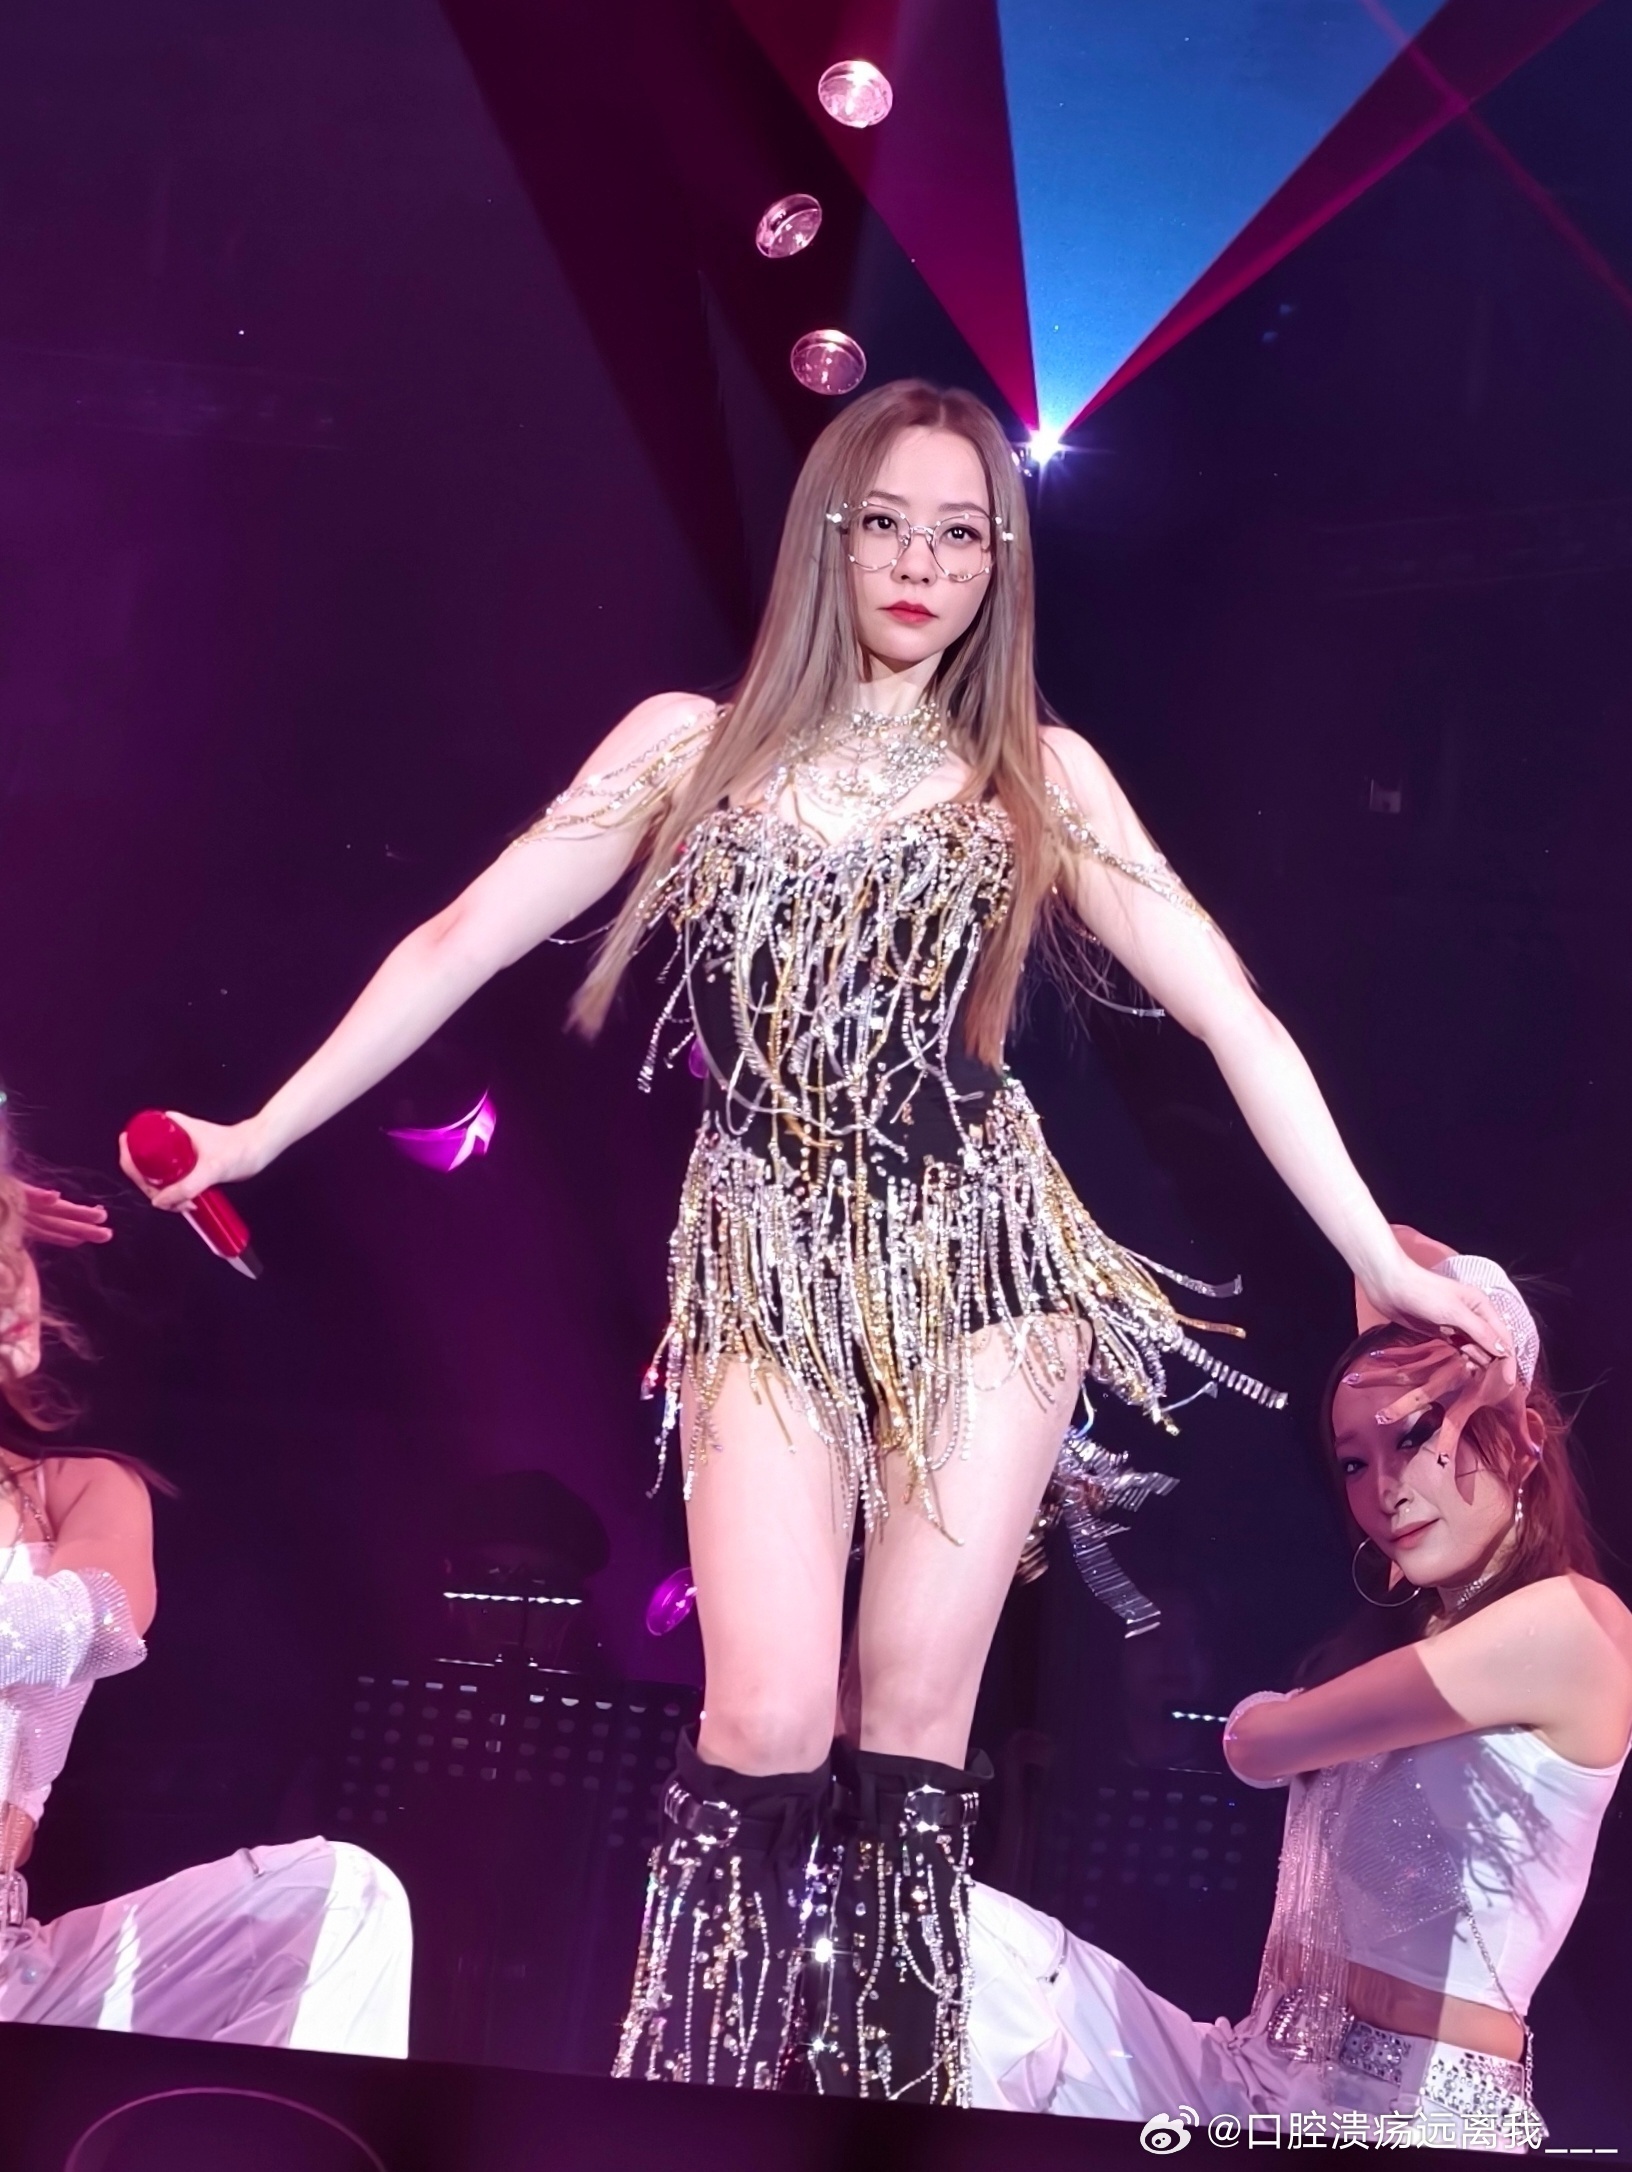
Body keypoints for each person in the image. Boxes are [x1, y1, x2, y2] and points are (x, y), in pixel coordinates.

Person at [118, 380, 1508, 2103]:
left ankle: (887, 2118)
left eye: (961, 534)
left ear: (998, 563)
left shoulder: (1037, 774)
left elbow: (1230, 1009)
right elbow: (461, 936)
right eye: (888, 525)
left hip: (983, 1266)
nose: (922, 563)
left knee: (911, 1720)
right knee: (762, 1719)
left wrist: (1374, 1251)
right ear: (828, 537)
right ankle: (695, 2111)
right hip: (762, 1264)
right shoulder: (682, 750)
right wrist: (256, 1132)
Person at [968, 1235, 1631, 2150]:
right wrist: (1432, 1318)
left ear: (1521, 1443)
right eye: (1355, 1461)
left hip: (1411, 2123)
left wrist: (1498, 1353)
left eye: (1416, 1436)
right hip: (1252, 2076)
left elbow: (1258, 1746)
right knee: (966, 1943)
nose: (1386, 1488)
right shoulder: (1416, 1643)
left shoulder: (1576, 1625)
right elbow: (1380, 1255)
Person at [0, 1106, 413, 2054]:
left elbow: (101, 1619)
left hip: (11, 1974)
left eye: (8, 1251)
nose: (13, 1280)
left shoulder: (78, 1491)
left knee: (337, 1898)